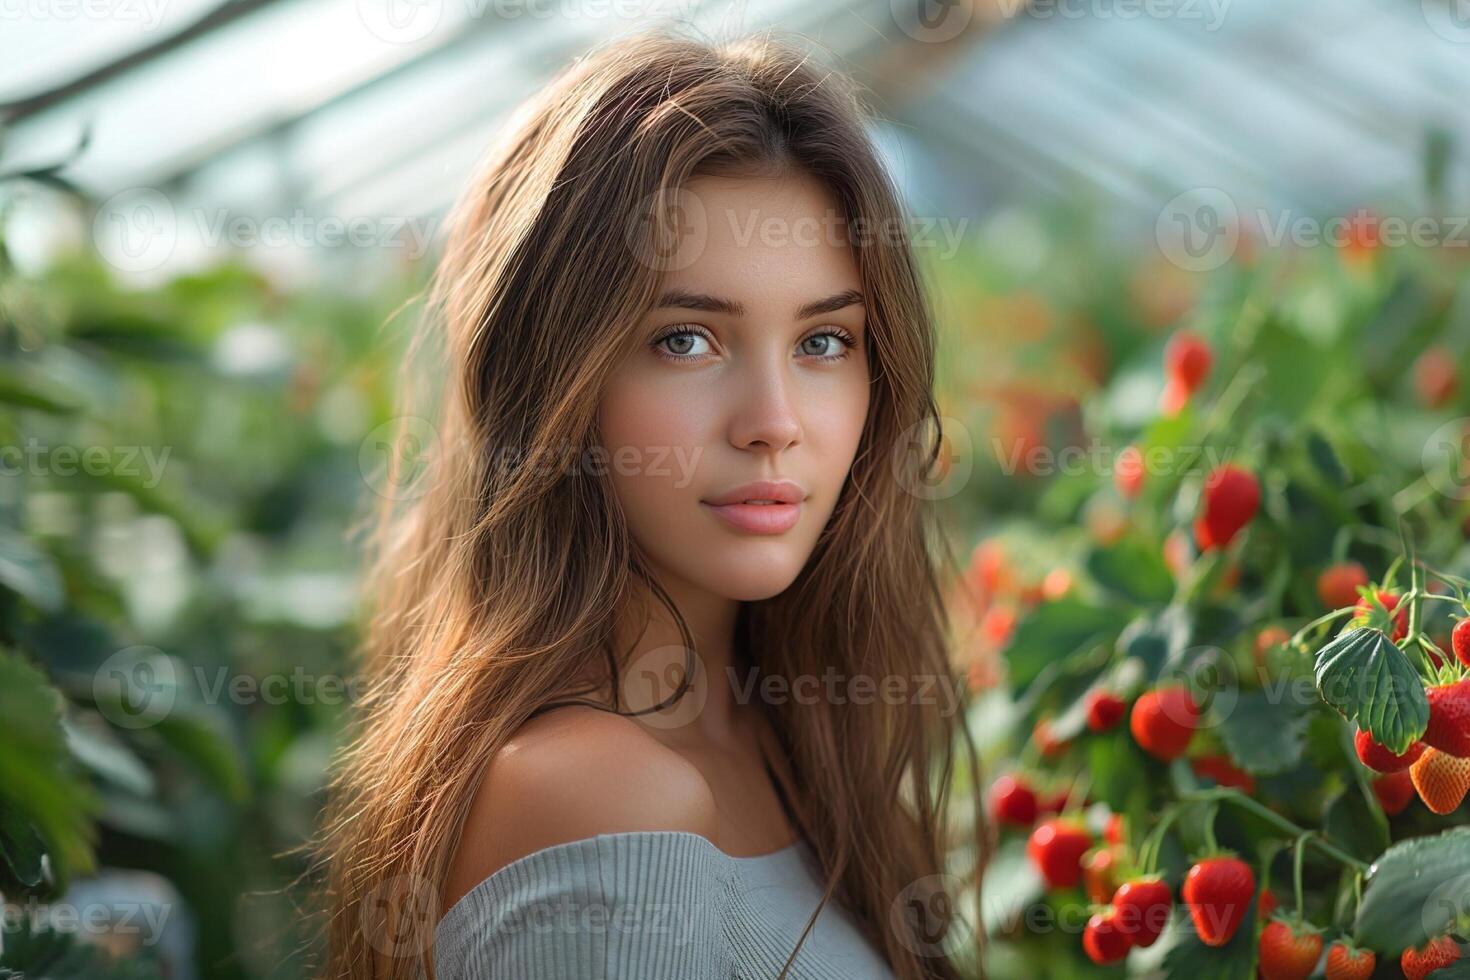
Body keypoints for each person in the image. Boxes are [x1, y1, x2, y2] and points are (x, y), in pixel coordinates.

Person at [316, 27, 984, 980]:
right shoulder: (596, 793)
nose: (773, 423)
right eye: (686, 341)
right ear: (554, 378)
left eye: (824, 341)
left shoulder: (791, 735)